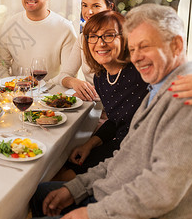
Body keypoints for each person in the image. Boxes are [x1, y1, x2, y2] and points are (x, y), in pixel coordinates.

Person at [17, 3, 192, 219]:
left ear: (176, 45)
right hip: (118, 193)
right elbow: (126, 156)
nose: (137, 58)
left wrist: (94, 215)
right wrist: (78, 188)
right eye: (133, 49)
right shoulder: (156, 88)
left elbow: (161, 190)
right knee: (40, 193)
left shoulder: (186, 96)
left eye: (145, 46)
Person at [54, 10, 148, 181]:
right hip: (118, 143)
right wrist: (89, 145)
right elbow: (115, 121)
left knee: (61, 178)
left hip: (138, 153)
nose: (100, 43)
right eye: (93, 36)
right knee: (62, 164)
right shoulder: (101, 78)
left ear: (125, 38)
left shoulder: (142, 72)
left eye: (109, 35)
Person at [0, 0, 76, 82]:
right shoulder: (10, 24)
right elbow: (0, 63)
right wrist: (9, 84)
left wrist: (43, 87)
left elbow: (69, 73)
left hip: (50, 93)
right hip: (17, 92)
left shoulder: (65, 28)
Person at [56, 0, 116, 101]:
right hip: (91, 105)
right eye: (85, 5)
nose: (88, 12)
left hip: (115, 108)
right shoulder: (83, 38)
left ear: (110, 7)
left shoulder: (120, 39)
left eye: (96, 6)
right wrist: (75, 82)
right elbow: (64, 74)